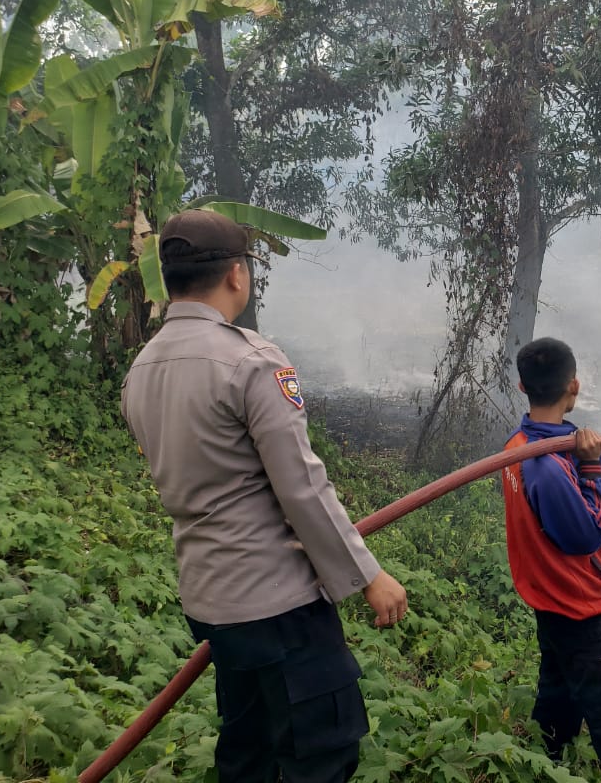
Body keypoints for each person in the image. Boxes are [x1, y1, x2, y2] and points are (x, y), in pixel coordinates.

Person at [121, 209, 409, 783]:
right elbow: (301, 487)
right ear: (236, 274)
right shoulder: (251, 361)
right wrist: (368, 575)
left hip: (210, 601)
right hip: (279, 605)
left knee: (247, 751)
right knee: (322, 754)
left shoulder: (141, 370)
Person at [501, 337, 601, 783]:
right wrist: (590, 470)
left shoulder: (523, 443)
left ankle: (545, 762)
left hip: (549, 602)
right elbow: (587, 534)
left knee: (556, 699)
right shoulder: (548, 468)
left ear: (522, 386)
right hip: (577, 609)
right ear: (574, 386)